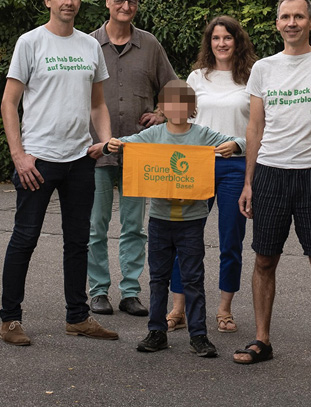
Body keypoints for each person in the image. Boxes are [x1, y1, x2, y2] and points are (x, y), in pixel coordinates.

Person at [0, 0, 118, 346]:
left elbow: (97, 105)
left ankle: (77, 317)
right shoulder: (30, 42)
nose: (69, 2)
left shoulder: (88, 46)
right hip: (38, 160)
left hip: (80, 158)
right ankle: (10, 319)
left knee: (78, 241)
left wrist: (107, 141)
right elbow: (9, 101)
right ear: (47, 0)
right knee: (25, 238)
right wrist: (19, 155)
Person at [233, 0, 311, 372]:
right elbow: (255, 127)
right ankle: (262, 339)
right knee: (264, 259)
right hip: (269, 173)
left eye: (300, 16)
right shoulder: (263, 68)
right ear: (277, 23)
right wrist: (249, 181)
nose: (292, 23)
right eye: (286, 17)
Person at [104, 80, 245, 358]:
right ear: (162, 107)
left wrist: (233, 144)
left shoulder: (203, 134)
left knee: (193, 278)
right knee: (158, 278)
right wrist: (113, 144)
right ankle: (156, 331)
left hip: (192, 220)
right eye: (171, 103)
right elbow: (125, 144)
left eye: (184, 103)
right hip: (159, 220)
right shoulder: (153, 134)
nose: (177, 108)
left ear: (193, 108)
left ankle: (199, 335)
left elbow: (242, 140)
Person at [87, 0, 177, 318]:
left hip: (139, 153)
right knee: (95, 226)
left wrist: (160, 113)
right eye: (120, 0)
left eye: (132, 1)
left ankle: (129, 291)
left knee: (134, 227)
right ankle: (97, 291)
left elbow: (172, 89)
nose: (126, 7)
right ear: (107, 2)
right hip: (95, 152)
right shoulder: (87, 45)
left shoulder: (150, 45)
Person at [165, 16, 257, 334]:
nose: (221, 43)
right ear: (209, 42)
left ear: (237, 41)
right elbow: (181, 122)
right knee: (185, 238)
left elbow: (263, 125)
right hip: (197, 165)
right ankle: (178, 307)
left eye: (227, 38)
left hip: (236, 166)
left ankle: (224, 309)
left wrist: (239, 144)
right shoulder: (196, 77)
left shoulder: (252, 78)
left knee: (231, 241)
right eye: (216, 38)